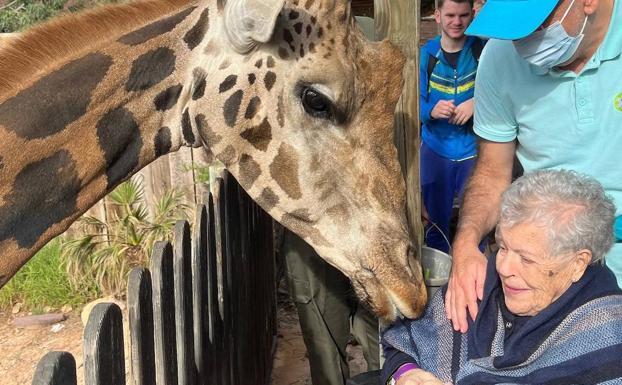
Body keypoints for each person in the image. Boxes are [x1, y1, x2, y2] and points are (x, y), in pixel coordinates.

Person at [446, 0, 622, 334]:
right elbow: (493, 174)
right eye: (511, 27)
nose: (523, 42)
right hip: (546, 270)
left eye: (537, 23)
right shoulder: (499, 56)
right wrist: (466, 243)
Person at [381, 170, 622, 385]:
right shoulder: (481, 282)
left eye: (526, 259)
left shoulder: (607, 335)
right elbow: (403, 342)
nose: (504, 268)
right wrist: (406, 373)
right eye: (503, 247)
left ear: (578, 263)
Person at [279, 16, 381, 385]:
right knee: (324, 345)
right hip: (313, 226)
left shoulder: (374, 32)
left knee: (385, 341)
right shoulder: (283, 46)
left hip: (373, 222)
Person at [419, 0, 484, 254]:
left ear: (472, 15)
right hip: (436, 151)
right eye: (450, 15)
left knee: (475, 226)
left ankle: (475, 288)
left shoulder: (482, 50)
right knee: (435, 227)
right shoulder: (427, 55)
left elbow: (501, 89)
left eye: (463, 15)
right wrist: (431, 111)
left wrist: (476, 102)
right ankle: (439, 287)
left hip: (472, 150)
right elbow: (414, 102)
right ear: (437, 15)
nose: (457, 22)